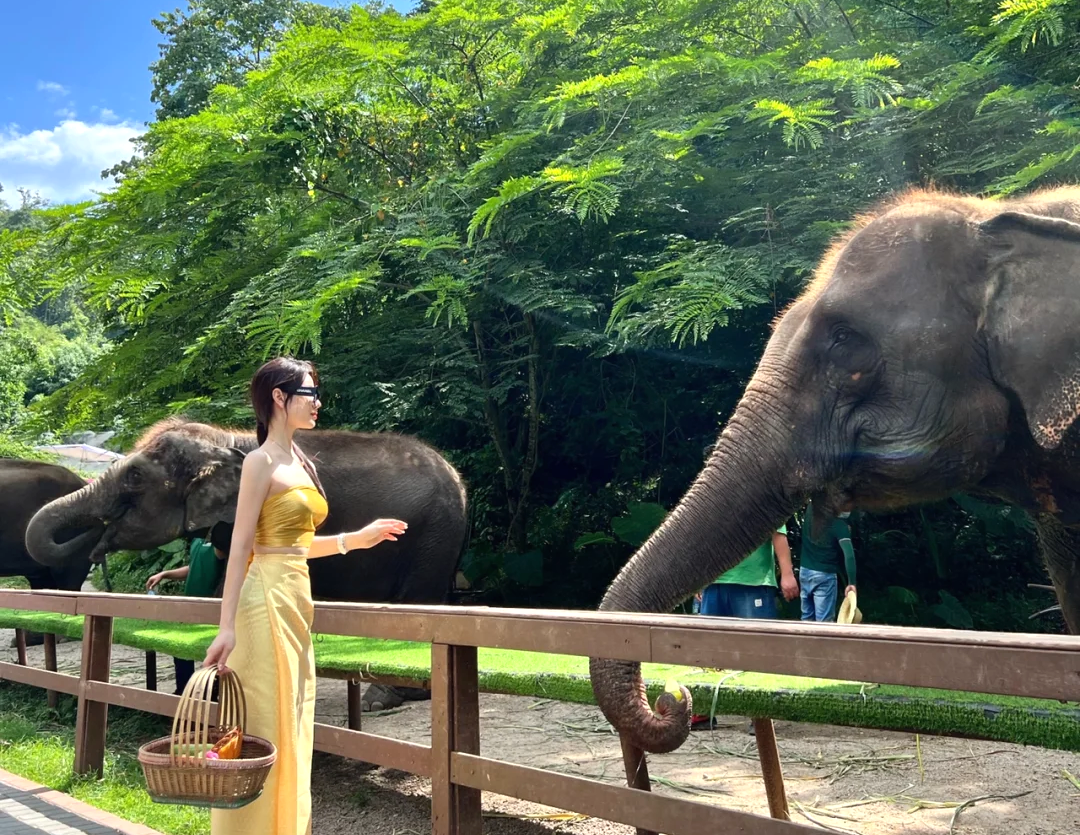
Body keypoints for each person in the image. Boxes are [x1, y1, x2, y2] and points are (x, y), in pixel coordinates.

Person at [203, 356, 408, 835]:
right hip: (264, 600)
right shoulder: (259, 462)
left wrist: (355, 540)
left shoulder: (300, 460)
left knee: (295, 722)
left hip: (295, 599)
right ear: (279, 397)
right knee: (264, 723)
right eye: (310, 393)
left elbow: (293, 546)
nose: (318, 403)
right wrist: (226, 626)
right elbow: (242, 548)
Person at [690, 527, 798, 730]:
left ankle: (761, 715)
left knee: (757, 650)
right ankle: (703, 710)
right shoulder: (713, 507)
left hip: (754, 581)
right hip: (714, 581)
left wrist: (787, 574)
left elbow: (778, 534)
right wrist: (699, 578)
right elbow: (705, 536)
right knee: (707, 648)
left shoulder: (766, 504)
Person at [146, 533, 228, 694]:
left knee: (213, 654)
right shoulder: (197, 539)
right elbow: (194, 568)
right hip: (189, 609)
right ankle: (183, 692)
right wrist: (165, 574)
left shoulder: (222, 538)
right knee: (180, 649)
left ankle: (212, 696)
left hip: (213, 609)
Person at [798, 498, 856, 622]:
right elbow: (849, 555)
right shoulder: (840, 526)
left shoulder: (811, 510)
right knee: (824, 624)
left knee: (806, 620)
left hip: (804, 572)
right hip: (825, 576)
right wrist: (852, 583)